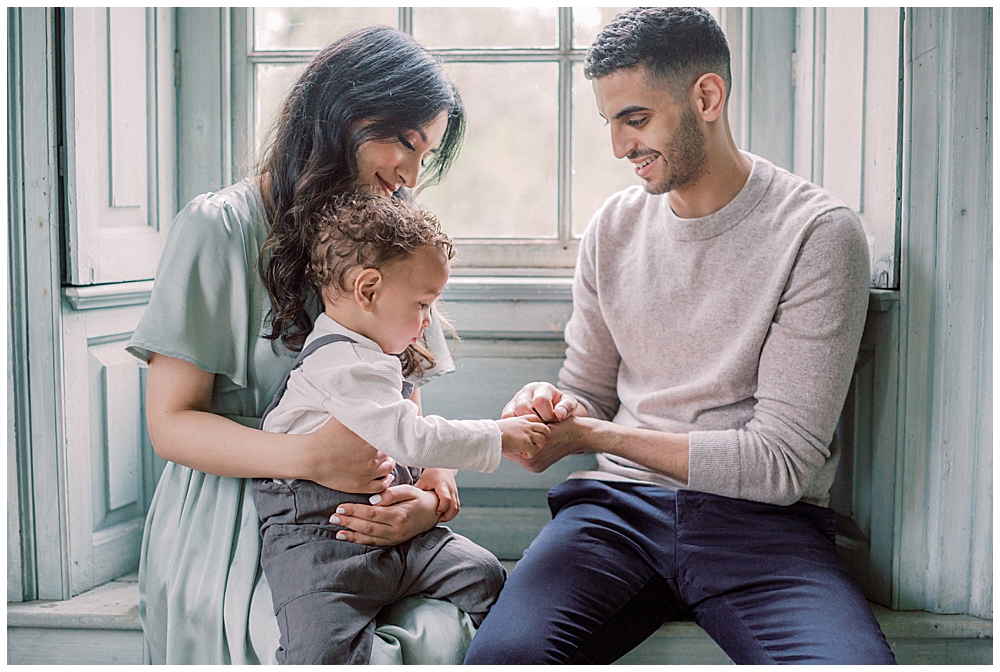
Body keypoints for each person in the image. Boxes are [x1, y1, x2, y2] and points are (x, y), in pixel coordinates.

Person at [464, 7, 896, 665]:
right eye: (609, 123)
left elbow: (779, 464)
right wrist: (554, 408)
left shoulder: (817, 234)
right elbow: (587, 392)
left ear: (707, 97)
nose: (618, 147)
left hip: (762, 530)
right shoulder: (613, 228)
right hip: (615, 517)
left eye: (635, 119)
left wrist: (593, 435)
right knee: (502, 659)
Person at [127, 25, 484, 665]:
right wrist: (309, 457)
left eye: (424, 154)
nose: (408, 172)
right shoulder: (219, 227)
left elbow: (407, 404)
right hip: (241, 518)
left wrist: (429, 492)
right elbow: (170, 425)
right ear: (341, 110)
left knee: (443, 628)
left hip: (377, 523)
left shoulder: (390, 236)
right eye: (402, 141)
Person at [253, 193, 548, 663]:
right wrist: (501, 435)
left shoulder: (374, 356)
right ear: (368, 290)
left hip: (401, 536)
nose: (428, 320)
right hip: (322, 545)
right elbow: (412, 437)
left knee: (483, 574)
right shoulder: (341, 363)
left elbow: (410, 438)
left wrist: (432, 489)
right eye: (423, 304)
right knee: (319, 651)